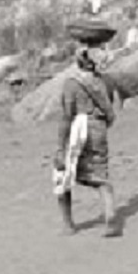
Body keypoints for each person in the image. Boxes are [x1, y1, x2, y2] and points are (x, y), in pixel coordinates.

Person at [54, 18, 122, 237]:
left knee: (62, 173)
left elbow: (66, 117)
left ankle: (67, 224)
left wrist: (60, 148)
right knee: (100, 174)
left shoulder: (72, 83)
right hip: (99, 127)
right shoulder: (105, 81)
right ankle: (110, 216)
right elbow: (111, 103)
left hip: (79, 127)